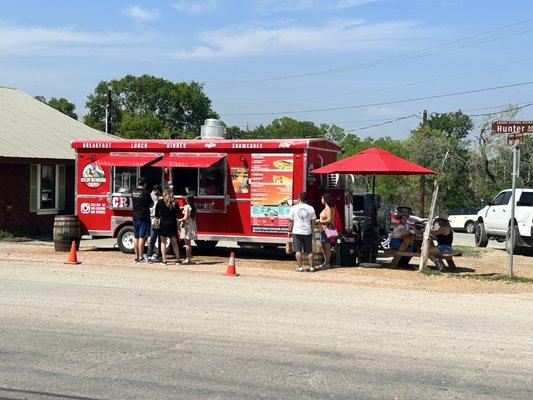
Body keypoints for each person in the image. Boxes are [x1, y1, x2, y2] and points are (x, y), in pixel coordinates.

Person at [288, 192, 316, 272]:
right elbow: (313, 222)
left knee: (298, 250)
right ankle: (311, 267)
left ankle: (300, 267)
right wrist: (313, 231)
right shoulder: (311, 208)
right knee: (309, 250)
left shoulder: (293, 208)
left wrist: (289, 231)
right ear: (306, 199)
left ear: (299, 198)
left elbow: (290, 221)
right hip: (307, 231)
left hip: (297, 231)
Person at [155, 188, 181, 265]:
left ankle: (164, 261)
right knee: (174, 243)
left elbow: (156, 214)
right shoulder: (175, 203)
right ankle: (178, 260)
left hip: (163, 223)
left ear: (164, 194)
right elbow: (178, 212)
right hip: (172, 223)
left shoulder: (160, 202)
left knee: (163, 243)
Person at [132, 177, 153, 263]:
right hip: (144, 216)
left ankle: (136, 257)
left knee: (136, 236)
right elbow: (151, 203)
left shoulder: (133, 192)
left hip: (135, 216)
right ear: (145, 184)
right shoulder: (146, 192)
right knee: (142, 237)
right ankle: (141, 257)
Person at [316, 193, 337, 269]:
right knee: (322, 245)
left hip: (326, 229)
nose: (321, 200)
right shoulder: (327, 208)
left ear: (325, 200)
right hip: (322, 229)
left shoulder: (328, 208)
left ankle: (327, 262)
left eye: (322, 198)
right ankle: (326, 262)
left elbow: (329, 220)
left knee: (327, 245)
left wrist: (319, 221)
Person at [179, 195, 198, 264]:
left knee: (187, 243)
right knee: (189, 243)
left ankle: (188, 258)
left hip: (187, 226)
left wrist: (179, 220)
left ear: (187, 200)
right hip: (192, 225)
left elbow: (185, 217)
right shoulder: (194, 207)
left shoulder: (187, 206)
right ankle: (189, 258)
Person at [147, 184, 163, 262]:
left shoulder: (159, 197)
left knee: (159, 237)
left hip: (158, 218)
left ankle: (157, 254)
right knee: (153, 237)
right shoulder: (151, 196)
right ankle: (149, 255)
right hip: (155, 219)